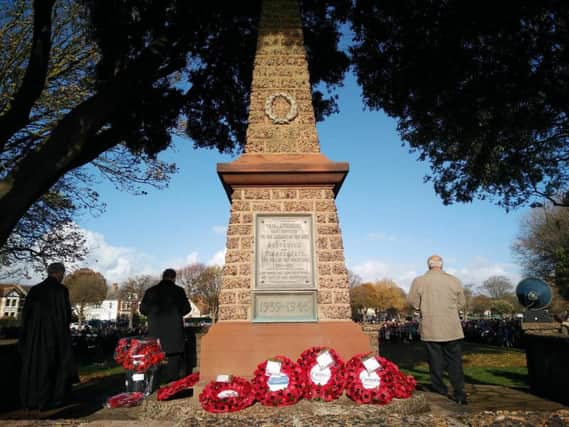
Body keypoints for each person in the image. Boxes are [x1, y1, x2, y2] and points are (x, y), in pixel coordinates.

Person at [407, 255, 467, 405]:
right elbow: (462, 302)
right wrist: (450, 310)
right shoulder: (454, 280)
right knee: (455, 362)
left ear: (428, 265)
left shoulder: (419, 281)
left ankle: (440, 389)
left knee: (435, 361)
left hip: (431, 325)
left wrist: (424, 307)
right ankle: (459, 392)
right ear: (441, 265)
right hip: (451, 327)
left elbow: (412, 301)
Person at [19, 262, 78, 410]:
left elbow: (25, 315)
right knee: (55, 365)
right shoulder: (61, 291)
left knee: (36, 366)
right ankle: (53, 398)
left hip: (35, 337)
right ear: (59, 273)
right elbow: (65, 316)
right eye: (63, 274)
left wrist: (26, 335)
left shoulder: (35, 290)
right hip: (55, 335)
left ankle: (33, 398)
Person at [140, 268, 191, 383]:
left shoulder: (151, 291)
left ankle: (155, 381)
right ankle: (172, 382)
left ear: (162, 276)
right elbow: (187, 308)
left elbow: (143, 309)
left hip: (155, 330)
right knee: (174, 357)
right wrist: (177, 313)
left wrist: (152, 315)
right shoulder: (179, 291)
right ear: (174, 278)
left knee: (155, 356)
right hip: (174, 330)